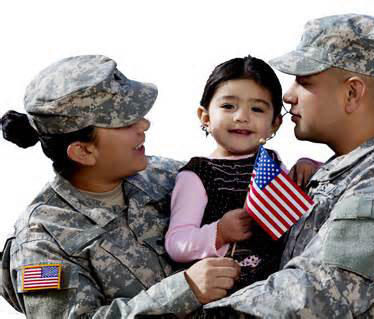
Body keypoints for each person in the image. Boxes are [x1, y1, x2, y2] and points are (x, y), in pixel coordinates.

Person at [204, 14, 374, 318]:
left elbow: (305, 299)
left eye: (304, 81)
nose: (288, 95)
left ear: (352, 93)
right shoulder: (344, 173)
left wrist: (179, 306)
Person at [0, 55, 240, 318]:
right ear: (83, 151)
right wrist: (184, 291)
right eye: (126, 122)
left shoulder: (164, 175)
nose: (144, 125)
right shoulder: (41, 241)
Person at [165, 56, 285, 291]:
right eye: (228, 106)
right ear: (205, 117)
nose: (242, 116)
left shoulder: (272, 163)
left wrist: (308, 166)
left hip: (276, 289)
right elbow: (176, 243)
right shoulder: (197, 174)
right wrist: (220, 232)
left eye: (257, 108)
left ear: (274, 124)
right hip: (225, 293)